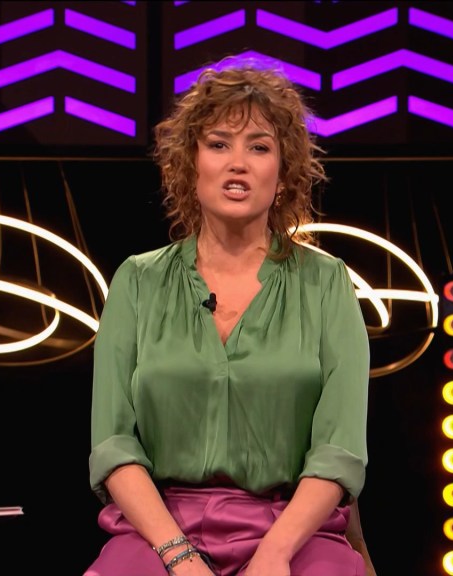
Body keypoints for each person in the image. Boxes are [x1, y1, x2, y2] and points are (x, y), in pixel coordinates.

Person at [85, 57, 375, 576]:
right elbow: (113, 445)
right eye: (219, 144)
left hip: (292, 529)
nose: (237, 162)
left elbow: (339, 450)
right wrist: (179, 557)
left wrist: (275, 553)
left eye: (259, 147)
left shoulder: (326, 283)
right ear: (190, 165)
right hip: (158, 531)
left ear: (282, 175)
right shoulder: (138, 281)